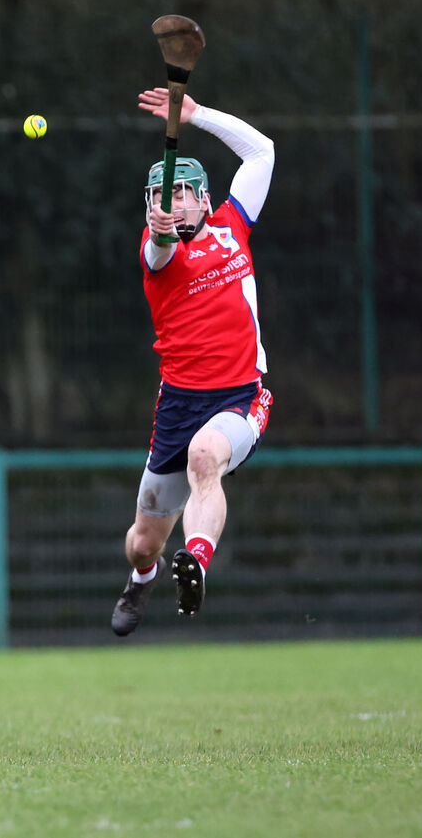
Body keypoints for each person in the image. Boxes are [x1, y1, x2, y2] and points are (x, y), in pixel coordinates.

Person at [110, 89, 275, 637]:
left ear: (204, 201)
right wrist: (159, 231)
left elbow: (262, 153)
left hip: (239, 396)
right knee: (142, 541)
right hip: (179, 406)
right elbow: (158, 247)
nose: (173, 202)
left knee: (207, 457)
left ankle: (196, 561)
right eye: (163, 195)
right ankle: (146, 576)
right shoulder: (157, 254)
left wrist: (198, 116)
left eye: (182, 193)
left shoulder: (233, 226)